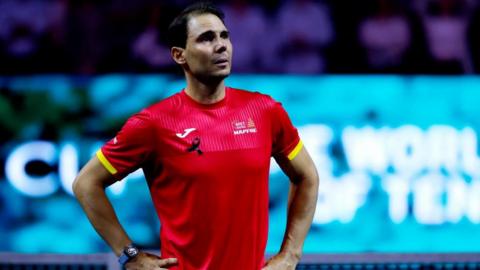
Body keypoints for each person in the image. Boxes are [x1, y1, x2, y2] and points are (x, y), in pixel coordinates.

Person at [72, 2, 319, 270]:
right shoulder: (153, 124)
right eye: (206, 38)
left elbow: (307, 176)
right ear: (180, 55)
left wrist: (291, 254)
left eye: (225, 36)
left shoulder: (264, 111)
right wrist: (130, 255)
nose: (221, 45)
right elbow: (86, 184)